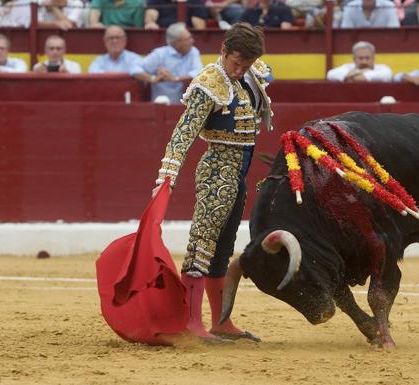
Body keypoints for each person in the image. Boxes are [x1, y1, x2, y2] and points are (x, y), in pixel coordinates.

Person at [151, 22, 272, 342]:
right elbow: (183, 132)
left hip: (239, 173)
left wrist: (247, 67)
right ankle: (191, 322)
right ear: (223, 51)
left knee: (223, 247)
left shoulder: (251, 72)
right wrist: (168, 174)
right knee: (202, 244)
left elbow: (258, 74)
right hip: (217, 169)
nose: (240, 69)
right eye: (235, 62)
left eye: (245, 64)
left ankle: (221, 321)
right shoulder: (209, 83)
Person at [133, 23, 203, 103]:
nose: (192, 41)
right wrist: (153, 79)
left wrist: (176, 79)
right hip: (160, 106)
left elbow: (199, 73)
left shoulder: (193, 51)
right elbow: (134, 69)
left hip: (186, 107)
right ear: (177, 43)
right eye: (188, 39)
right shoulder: (160, 54)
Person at [326, 41, 392, 82]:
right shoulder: (348, 66)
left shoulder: (382, 68)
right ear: (354, 59)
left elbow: (388, 75)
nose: (364, 62)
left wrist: (352, 76)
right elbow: (330, 74)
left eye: (367, 58)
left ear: (373, 59)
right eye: (360, 58)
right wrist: (360, 72)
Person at [144, 0, 210, 30]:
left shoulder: (195, 2)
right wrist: (151, 23)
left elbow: (200, 28)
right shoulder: (156, 1)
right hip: (162, 37)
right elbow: (150, 18)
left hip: (185, 40)